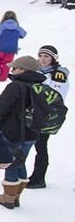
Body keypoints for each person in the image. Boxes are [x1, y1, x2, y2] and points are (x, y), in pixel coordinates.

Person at [0, 55, 45, 209]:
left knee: (11, 162)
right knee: (21, 161)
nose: (12, 70)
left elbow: (0, 109)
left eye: (15, 68)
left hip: (14, 132)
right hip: (32, 133)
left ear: (23, 70)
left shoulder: (15, 86)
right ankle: (16, 195)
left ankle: (8, 198)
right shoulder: (39, 86)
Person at [28, 45, 69, 189]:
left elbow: (57, 96)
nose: (43, 59)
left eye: (46, 56)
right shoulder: (34, 71)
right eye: (41, 56)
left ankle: (38, 178)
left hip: (46, 117)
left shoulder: (59, 75)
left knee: (40, 146)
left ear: (53, 58)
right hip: (33, 114)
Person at [0, 10, 26, 81]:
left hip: (1, 49)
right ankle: (2, 78)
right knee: (7, 64)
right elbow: (23, 34)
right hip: (12, 50)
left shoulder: (1, 27)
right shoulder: (17, 27)